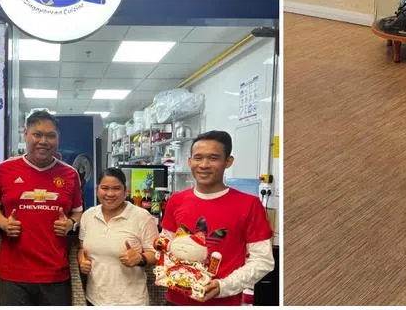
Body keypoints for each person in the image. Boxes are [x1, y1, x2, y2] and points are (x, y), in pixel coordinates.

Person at [159, 131, 274, 306]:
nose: (204, 165)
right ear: (190, 161)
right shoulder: (176, 200)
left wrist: (223, 286)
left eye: (213, 158)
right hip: (176, 300)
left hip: (223, 302)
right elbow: (166, 243)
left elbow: (262, 260)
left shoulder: (249, 204)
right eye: (198, 158)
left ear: (228, 161)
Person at [0, 110, 83, 305]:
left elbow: (78, 211)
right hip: (14, 275)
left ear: (58, 138)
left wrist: (71, 224)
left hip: (55, 274)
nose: (43, 141)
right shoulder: (4, 170)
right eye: (37, 134)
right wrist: (4, 223)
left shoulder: (70, 174)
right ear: (25, 134)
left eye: (50, 135)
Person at [77, 168, 158, 306]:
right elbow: (81, 248)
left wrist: (140, 258)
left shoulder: (141, 216)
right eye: (105, 188)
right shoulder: (88, 216)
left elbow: (157, 254)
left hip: (130, 302)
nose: (110, 193)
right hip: (94, 299)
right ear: (97, 190)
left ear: (125, 191)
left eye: (116, 188)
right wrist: (82, 260)